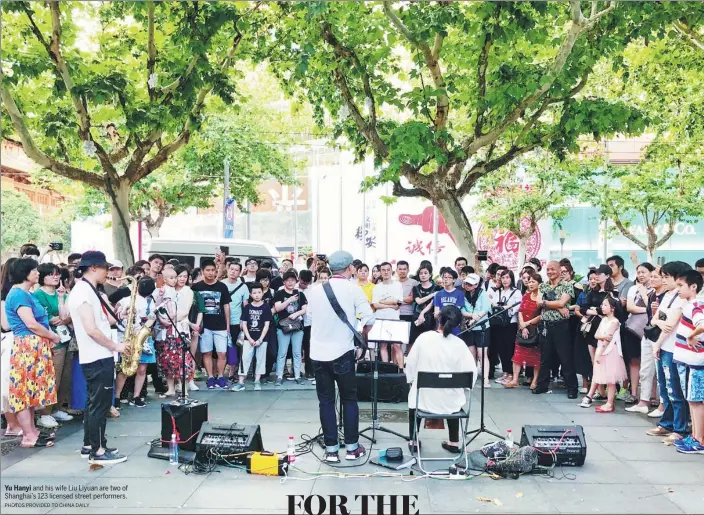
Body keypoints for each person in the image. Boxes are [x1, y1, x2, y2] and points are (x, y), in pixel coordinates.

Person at [307, 250, 374, 463]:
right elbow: (369, 318)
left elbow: (309, 316)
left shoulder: (314, 290)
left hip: (318, 353)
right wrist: (359, 331)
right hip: (343, 352)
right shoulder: (353, 289)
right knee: (349, 399)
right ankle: (353, 449)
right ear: (350, 269)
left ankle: (331, 450)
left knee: (325, 401)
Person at [68, 251, 126, 463]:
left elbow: (104, 322)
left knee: (95, 403)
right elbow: (91, 329)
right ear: (93, 268)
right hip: (97, 355)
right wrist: (116, 346)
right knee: (99, 405)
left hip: (98, 355)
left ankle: (88, 445)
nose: (108, 273)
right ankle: (98, 450)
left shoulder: (90, 290)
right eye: (105, 268)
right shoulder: (83, 291)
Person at [405, 305, 476, 454]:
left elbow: (410, 365)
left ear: (439, 318)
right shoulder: (460, 344)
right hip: (451, 403)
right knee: (453, 396)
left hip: (423, 400)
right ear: (457, 324)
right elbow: (471, 374)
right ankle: (454, 442)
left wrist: (412, 380)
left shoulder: (424, 338)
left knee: (414, 396)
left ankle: (413, 440)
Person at [4, 258, 60, 449]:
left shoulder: (25, 293)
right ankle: (28, 435)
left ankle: (32, 431)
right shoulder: (19, 294)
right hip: (27, 347)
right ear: (25, 273)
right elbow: (31, 323)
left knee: (29, 392)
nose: (38, 273)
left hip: (33, 346)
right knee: (22, 392)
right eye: (34, 270)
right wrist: (53, 336)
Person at [648, 261, 692, 444]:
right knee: (665, 389)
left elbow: (670, 324)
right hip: (663, 346)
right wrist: (658, 322)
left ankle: (680, 427)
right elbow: (656, 320)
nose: (663, 280)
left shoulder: (682, 298)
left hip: (673, 348)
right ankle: (667, 423)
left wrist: (657, 343)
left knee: (675, 390)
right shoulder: (667, 296)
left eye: (667, 277)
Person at [33, 263, 73, 426]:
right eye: (51, 274)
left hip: (66, 338)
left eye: (57, 274)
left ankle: (57, 408)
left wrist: (62, 298)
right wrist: (63, 318)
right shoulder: (38, 294)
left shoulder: (62, 292)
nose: (56, 277)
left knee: (65, 375)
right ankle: (44, 412)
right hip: (51, 339)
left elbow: (68, 315)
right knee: (53, 375)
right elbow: (48, 318)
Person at [671, 270, 704, 454]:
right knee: (692, 401)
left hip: (695, 363)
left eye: (680, 286)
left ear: (693, 287)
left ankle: (699, 440)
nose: (678, 290)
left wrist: (691, 336)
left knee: (696, 401)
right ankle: (695, 436)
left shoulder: (696, 304)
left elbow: (702, 324)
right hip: (689, 362)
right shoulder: (691, 305)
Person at [533, 261, 577, 398]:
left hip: (561, 325)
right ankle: (542, 385)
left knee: (565, 357)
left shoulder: (567, 286)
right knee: (545, 357)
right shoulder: (543, 286)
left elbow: (562, 302)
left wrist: (549, 303)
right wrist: (557, 306)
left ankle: (572, 388)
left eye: (552, 269)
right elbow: (538, 302)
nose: (550, 272)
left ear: (559, 270)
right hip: (546, 324)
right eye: (548, 269)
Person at [114, 277, 158, 408]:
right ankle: (116, 396)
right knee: (125, 368)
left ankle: (136, 396)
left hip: (142, 337)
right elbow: (117, 317)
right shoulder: (125, 300)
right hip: (127, 336)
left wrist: (145, 325)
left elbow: (152, 319)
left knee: (142, 368)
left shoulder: (151, 302)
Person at [580, 297, 627, 412]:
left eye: (605, 305)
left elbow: (608, 339)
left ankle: (610, 403)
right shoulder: (604, 320)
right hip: (601, 348)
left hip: (610, 351)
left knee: (611, 379)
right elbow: (597, 335)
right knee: (600, 373)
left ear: (612, 308)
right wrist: (602, 337)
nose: (602, 307)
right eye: (602, 305)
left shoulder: (615, 322)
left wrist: (600, 352)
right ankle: (602, 399)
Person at [191, 259, 231, 390]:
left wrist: (228, 324)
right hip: (204, 326)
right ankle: (210, 377)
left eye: (213, 270)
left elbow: (226, 306)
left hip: (220, 326)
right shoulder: (196, 287)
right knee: (206, 353)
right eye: (207, 270)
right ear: (202, 272)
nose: (210, 273)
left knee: (222, 353)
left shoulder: (222, 287)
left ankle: (220, 376)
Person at [622, 262, 656, 412]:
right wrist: (645, 309)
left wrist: (643, 296)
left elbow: (653, 309)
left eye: (644, 272)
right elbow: (630, 308)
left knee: (651, 363)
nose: (641, 275)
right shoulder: (633, 288)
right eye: (639, 272)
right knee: (634, 361)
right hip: (632, 328)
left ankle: (653, 396)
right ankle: (634, 393)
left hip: (651, 330)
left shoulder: (655, 289)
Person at [231, 282, 273, 392]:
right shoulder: (247, 307)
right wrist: (249, 338)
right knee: (244, 359)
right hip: (247, 338)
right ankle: (241, 382)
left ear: (263, 293)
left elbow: (266, 325)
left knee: (260, 359)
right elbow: (244, 324)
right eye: (254, 293)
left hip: (262, 339)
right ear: (250, 294)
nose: (257, 295)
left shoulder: (266, 307)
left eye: (259, 292)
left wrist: (260, 339)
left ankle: (257, 381)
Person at [505, 271, 543, 389]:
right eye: (529, 282)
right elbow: (520, 311)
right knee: (518, 354)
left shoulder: (542, 297)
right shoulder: (526, 296)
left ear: (539, 283)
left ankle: (535, 381)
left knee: (536, 356)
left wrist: (528, 323)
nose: (530, 284)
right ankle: (515, 379)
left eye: (533, 282)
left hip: (536, 329)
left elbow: (542, 315)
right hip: (523, 327)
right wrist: (523, 325)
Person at [273, 271, 308, 386]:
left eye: (292, 280)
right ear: (284, 282)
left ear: (296, 281)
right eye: (288, 280)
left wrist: (296, 314)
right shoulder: (279, 293)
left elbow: (304, 309)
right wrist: (289, 300)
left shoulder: (300, 294)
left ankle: (297, 375)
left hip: (297, 326)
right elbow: (277, 308)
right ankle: (279, 376)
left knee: (297, 352)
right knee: (282, 352)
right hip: (283, 326)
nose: (290, 282)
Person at [461, 273, 492, 388]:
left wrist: (474, 319)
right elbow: (462, 311)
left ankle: (485, 379)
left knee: (482, 354)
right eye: (466, 283)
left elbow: (485, 310)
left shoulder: (483, 294)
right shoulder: (463, 294)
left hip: (482, 327)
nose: (467, 285)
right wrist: (473, 316)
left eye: (470, 284)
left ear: (476, 285)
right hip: (469, 327)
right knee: (471, 354)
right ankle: (471, 378)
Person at [492, 270, 522, 386]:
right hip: (498, 323)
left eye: (507, 278)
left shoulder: (516, 292)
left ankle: (511, 373)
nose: (505, 280)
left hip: (511, 323)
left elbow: (517, 306)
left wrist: (507, 308)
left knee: (510, 348)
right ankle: (505, 372)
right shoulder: (497, 291)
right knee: (501, 348)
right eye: (503, 278)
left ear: (511, 279)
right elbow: (493, 304)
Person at [372, 262, 404, 366]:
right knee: (383, 346)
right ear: (380, 272)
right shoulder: (377, 287)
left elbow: (398, 302)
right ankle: (386, 369)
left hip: (394, 319)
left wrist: (383, 301)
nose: (386, 272)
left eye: (388, 270)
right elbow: (375, 305)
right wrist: (390, 305)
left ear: (391, 271)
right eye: (383, 270)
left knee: (397, 346)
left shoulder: (397, 285)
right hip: (380, 319)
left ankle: (401, 371)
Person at [222, 261, 249, 381]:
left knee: (233, 347)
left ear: (240, 272)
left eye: (236, 270)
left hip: (236, 322)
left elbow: (245, 306)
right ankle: (220, 373)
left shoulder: (243, 287)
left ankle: (232, 373)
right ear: (227, 270)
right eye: (231, 269)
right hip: (220, 322)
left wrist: (243, 322)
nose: (233, 272)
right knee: (220, 349)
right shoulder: (221, 284)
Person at [411, 264, 441, 345]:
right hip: (417, 317)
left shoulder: (437, 287)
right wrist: (432, 295)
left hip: (431, 318)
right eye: (421, 273)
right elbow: (419, 301)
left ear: (430, 275)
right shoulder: (416, 288)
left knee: (430, 342)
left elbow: (434, 303)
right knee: (416, 341)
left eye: (425, 273)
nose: (423, 275)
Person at [433, 269, 465, 335]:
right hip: (441, 328)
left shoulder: (460, 294)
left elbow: (456, 312)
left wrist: (441, 313)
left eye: (449, 277)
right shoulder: (438, 294)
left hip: (454, 328)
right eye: (444, 277)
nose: (446, 279)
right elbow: (436, 313)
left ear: (454, 280)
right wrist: (436, 314)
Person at [298, 270, 315, 381]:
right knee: (296, 348)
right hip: (295, 322)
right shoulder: (292, 288)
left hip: (309, 322)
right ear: (298, 278)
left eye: (307, 283)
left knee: (309, 348)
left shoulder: (313, 290)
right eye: (303, 283)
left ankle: (309, 370)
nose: (304, 285)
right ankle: (296, 370)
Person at [397, 261, 419, 336]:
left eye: (404, 269)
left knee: (408, 340)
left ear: (408, 270)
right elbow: (390, 299)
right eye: (400, 269)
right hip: (394, 314)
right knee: (395, 341)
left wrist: (397, 299)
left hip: (408, 314)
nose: (402, 271)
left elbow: (412, 299)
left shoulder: (414, 283)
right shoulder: (393, 283)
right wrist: (405, 299)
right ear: (396, 270)